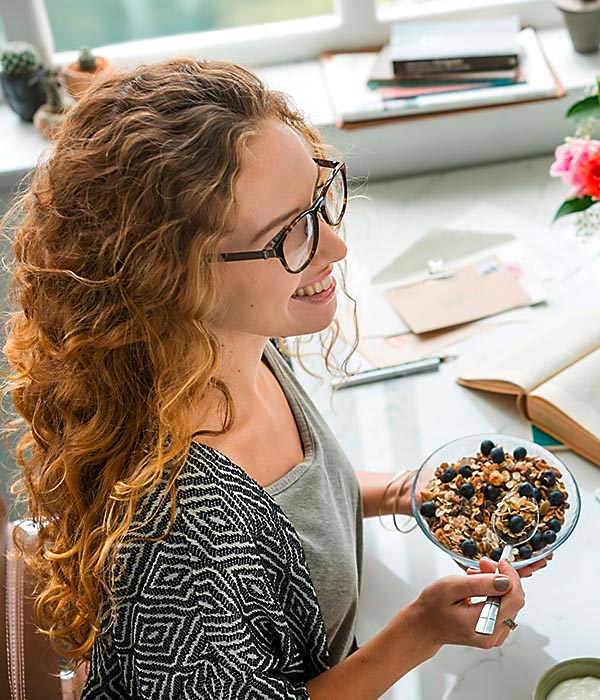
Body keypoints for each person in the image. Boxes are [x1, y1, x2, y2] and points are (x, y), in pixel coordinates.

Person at [2, 58, 544, 699]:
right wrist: (418, 633)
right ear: (170, 275)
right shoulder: (182, 552)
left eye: (319, 198)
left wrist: (403, 492)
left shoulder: (234, 342)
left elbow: (291, 498)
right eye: (289, 233)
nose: (335, 247)